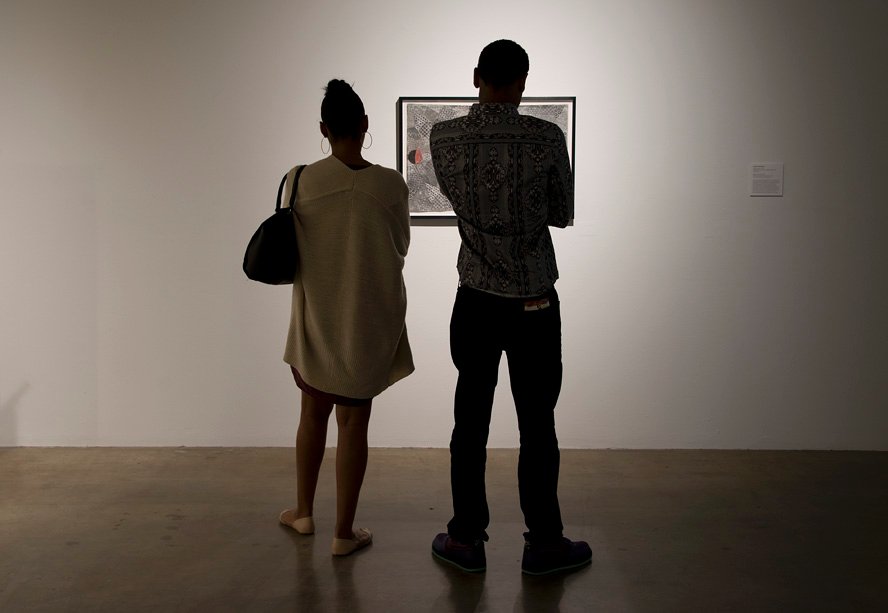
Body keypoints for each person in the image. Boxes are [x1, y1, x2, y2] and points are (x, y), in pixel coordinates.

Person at [428, 40, 591, 575]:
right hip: (534, 300)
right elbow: (562, 213)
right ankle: (544, 542)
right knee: (538, 423)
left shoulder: (443, 137)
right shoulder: (546, 137)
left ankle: (465, 539)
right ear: (523, 81)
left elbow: (455, 200)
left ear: (477, 76)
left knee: (469, 420)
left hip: (475, 296)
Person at [277, 79, 414, 557]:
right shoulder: (391, 185)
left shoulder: (300, 180)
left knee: (311, 413)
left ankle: (303, 512)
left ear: (323, 128)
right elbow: (401, 246)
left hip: (317, 315)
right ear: (365, 124)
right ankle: (343, 532)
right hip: (366, 317)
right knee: (354, 424)